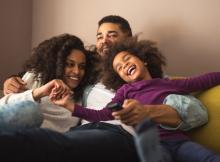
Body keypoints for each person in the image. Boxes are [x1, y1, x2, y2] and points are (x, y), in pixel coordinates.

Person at [0, 15, 208, 161]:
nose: (103, 41)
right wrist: (13, 79)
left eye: (111, 35)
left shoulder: (149, 78)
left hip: (119, 134)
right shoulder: (86, 69)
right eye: (99, 36)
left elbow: (196, 112)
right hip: (84, 129)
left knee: (56, 144)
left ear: (129, 40)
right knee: (50, 135)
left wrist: (146, 112)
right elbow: (49, 67)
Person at [52, 37, 220, 162]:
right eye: (119, 68)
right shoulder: (125, 91)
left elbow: (204, 80)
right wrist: (70, 106)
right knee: (156, 156)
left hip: (178, 141)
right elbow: (103, 115)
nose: (124, 65)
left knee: (209, 158)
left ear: (144, 60)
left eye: (127, 59)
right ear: (121, 78)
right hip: (154, 144)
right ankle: (148, 149)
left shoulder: (168, 83)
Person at [0, 33, 95, 133]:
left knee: (32, 112)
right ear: (57, 64)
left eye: (82, 66)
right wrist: (39, 92)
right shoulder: (36, 77)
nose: (77, 71)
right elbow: (3, 106)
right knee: (31, 110)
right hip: (10, 133)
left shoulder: (80, 97)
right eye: (69, 64)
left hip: (39, 142)